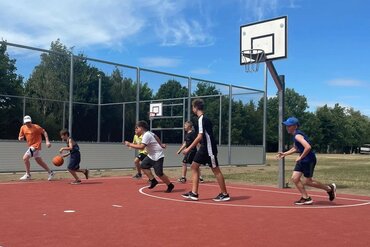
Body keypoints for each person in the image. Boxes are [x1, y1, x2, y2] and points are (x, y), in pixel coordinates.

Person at [277, 117, 336, 205]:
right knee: (295, 178)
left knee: (308, 181)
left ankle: (329, 188)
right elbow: (295, 148)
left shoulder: (297, 135)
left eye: (289, 126)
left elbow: (308, 147)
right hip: (303, 158)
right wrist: (285, 153)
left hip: (309, 159)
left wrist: (301, 157)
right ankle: (306, 198)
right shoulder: (295, 135)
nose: (287, 127)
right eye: (286, 125)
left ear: (295, 126)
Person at [181, 99, 230, 201]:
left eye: (192, 107)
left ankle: (225, 194)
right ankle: (194, 193)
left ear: (195, 107)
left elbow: (199, 136)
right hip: (204, 148)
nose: (192, 109)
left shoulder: (202, 119)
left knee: (216, 169)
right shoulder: (202, 119)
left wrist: (188, 149)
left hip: (209, 149)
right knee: (194, 166)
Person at [124, 121, 174, 193]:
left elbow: (141, 147)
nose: (135, 130)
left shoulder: (146, 135)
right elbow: (156, 137)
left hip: (158, 155)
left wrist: (129, 144)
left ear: (141, 128)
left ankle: (170, 185)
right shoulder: (149, 133)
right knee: (143, 165)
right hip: (151, 155)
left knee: (159, 173)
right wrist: (161, 144)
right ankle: (153, 181)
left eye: (136, 128)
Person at [18, 115, 55, 181]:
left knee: (25, 158)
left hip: (36, 145)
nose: (28, 123)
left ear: (31, 121)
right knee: (39, 161)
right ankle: (50, 172)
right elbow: (20, 137)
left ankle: (28, 175)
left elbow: (44, 132)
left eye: (29, 122)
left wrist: (47, 141)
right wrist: (20, 138)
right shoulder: (23, 128)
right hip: (31, 145)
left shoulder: (36, 127)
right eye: (26, 122)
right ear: (24, 123)